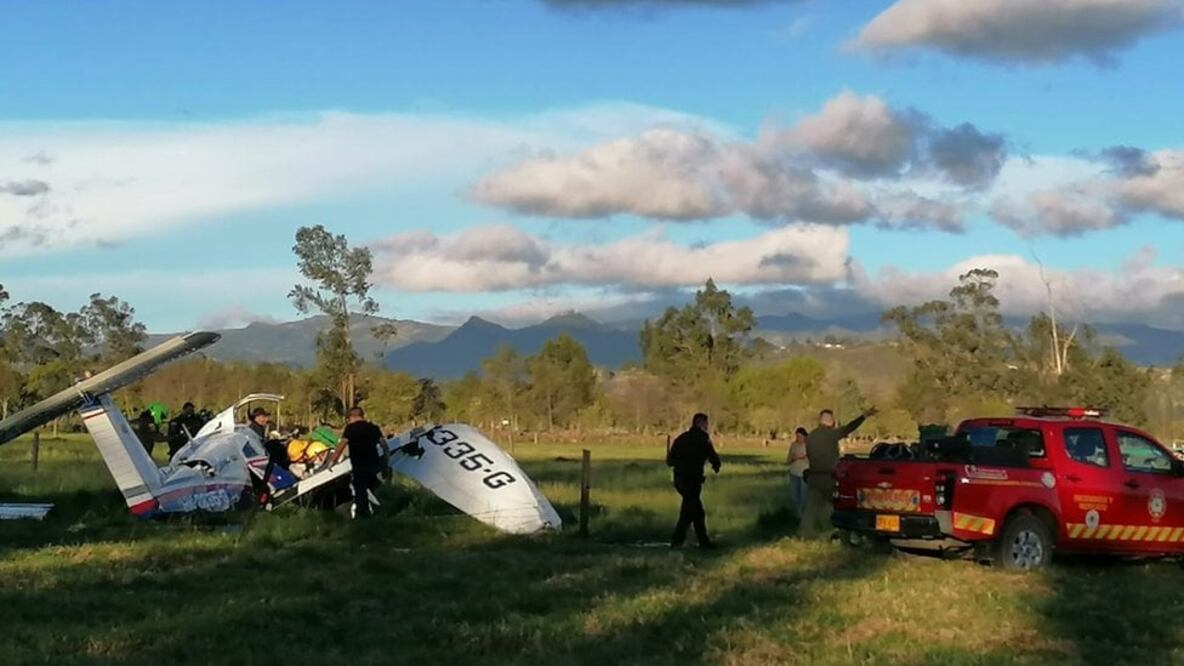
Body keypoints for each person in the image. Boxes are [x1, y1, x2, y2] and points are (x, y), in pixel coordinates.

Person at [800, 407, 878, 538]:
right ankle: (843, 534)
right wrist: (863, 416)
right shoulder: (831, 435)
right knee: (841, 506)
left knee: (810, 509)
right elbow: (848, 428)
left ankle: (804, 535)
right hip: (829, 477)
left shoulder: (811, 436)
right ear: (830, 421)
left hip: (813, 477)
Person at [666, 412, 722, 548]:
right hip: (692, 481)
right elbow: (713, 457)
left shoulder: (681, 438)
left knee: (692, 510)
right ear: (700, 423)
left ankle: (689, 541)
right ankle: (685, 541)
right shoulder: (703, 439)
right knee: (694, 511)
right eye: (705, 424)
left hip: (679, 479)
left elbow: (670, 461)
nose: (706, 426)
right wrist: (716, 466)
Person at [329, 407, 385, 519]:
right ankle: (378, 509)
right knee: (373, 485)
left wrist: (332, 462)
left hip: (359, 464)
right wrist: (385, 464)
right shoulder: (374, 428)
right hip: (374, 464)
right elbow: (385, 447)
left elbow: (341, 446)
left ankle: (363, 515)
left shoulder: (350, 429)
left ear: (351, 417)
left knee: (360, 489)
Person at [787, 426, 809, 516]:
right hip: (794, 472)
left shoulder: (809, 445)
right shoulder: (793, 445)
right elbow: (788, 459)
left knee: (803, 495)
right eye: (797, 436)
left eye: (800, 436)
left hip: (804, 474)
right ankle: (797, 513)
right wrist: (793, 458)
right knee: (794, 495)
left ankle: (805, 514)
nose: (798, 438)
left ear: (804, 436)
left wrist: (800, 457)